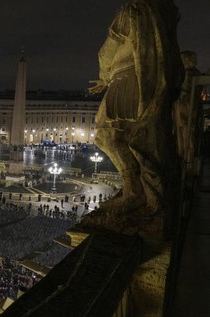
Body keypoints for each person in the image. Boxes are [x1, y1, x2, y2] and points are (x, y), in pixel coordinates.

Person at [87, 0, 183, 219]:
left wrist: (103, 76)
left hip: (126, 78)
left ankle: (133, 190)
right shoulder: (165, 11)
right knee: (135, 135)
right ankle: (145, 189)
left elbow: (107, 50)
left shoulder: (132, 10)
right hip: (149, 82)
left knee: (106, 134)